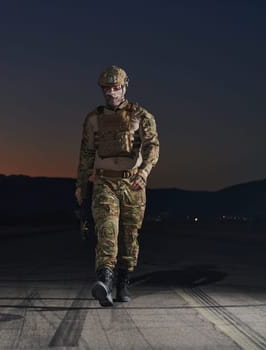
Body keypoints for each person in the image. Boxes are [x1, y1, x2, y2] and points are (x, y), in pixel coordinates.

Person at [75, 65, 160, 307]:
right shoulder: (94, 119)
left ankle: (123, 282)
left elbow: (152, 146)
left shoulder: (141, 116)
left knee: (129, 238)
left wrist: (144, 173)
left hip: (132, 183)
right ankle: (105, 282)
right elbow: (86, 154)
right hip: (104, 183)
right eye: (107, 89)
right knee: (107, 232)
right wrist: (81, 185)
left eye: (116, 88)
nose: (111, 93)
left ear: (124, 87)